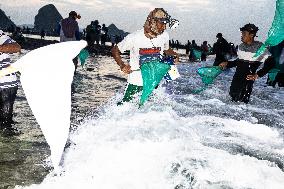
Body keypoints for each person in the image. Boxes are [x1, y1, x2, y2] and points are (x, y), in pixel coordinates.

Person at [111, 8, 179, 103]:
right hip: (136, 82)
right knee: (126, 110)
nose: (164, 27)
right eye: (162, 23)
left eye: (165, 24)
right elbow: (115, 50)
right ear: (152, 22)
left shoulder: (164, 35)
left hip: (154, 81)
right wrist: (122, 65)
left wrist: (175, 55)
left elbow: (167, 49)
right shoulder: (134, 37)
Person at [219, 23, 275, 103]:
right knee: (231, 101)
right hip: (236, 79)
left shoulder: (259, 48)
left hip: (247, 80)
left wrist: (258, 74)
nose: (242, 36)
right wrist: (227, 64)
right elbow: (239, 61)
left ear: (251, 35)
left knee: (241, 104)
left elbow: (271, 62)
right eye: (242, 34)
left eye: (244, 34)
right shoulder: (241, 46)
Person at [0, 30, 21, 136]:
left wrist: (1, 48)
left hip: (5, 84)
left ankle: (8, 147)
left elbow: (16, 47)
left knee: (5, 122)